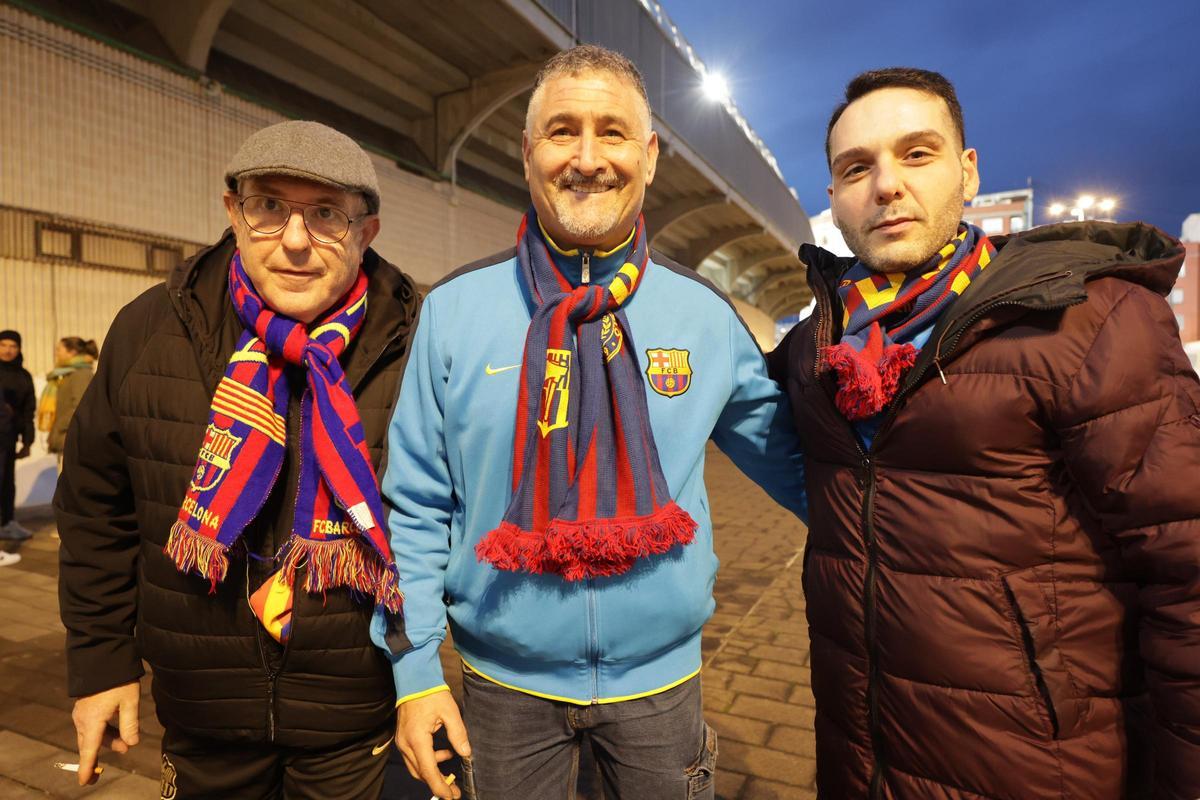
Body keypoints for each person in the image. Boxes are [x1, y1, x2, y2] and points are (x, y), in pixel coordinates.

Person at [378, 45, 807, 800]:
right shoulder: (453, 311)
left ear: (647, 156)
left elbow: (806, 467)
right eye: (561, 131)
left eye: (611, 132)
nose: (586, 158)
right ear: (527, 153)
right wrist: (416, 677)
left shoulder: (702, 315)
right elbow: (414, 508)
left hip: (661, 691)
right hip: (501, 691)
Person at [769, 67, 1200, 798]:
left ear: (968, 172)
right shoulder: (816, 349)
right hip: (861, 754)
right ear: (834, 198)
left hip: (1040, 768)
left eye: (917, 153)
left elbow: (1186, 569)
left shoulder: (1088, 321)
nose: (886, 185)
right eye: (856, 168)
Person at [55, 120, 419, 798]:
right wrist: (102, 663)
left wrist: (422, 677)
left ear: (367, 231)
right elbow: (95, 511)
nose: (295, 240)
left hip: (356, 716)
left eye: (327, 215)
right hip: (202, 714)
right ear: (233, 211)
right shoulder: (149, 329)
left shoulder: (418, 340)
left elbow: (452, 522)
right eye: (269, 207)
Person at [0, 329, 35, 540]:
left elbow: (28, 410)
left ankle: (7, 522)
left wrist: (27, 440)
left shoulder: (23, 376)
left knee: (7, 480)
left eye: (13, 346)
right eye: (3, 345)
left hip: (9, 437)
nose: (8, 350)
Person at [39, 336, 98, 457]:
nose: (56, 354)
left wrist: (60, 426)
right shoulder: (67, 374)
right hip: (66, 440)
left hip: (73, 440)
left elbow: (81, 408)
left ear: (72, 352)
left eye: (59, 350)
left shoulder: (81, 375)